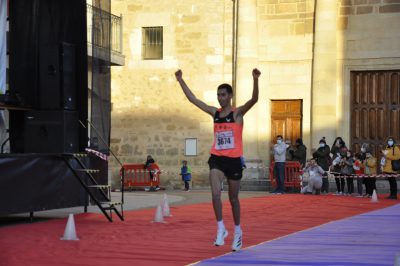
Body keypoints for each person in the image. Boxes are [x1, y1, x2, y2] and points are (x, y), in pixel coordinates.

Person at [175, 68, 261, 251]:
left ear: (230, 96)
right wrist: (180, 80)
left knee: (233, 198)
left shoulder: (237, 114)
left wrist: (255, 79)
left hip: (234, 160)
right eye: (218, 95)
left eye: (223, 95)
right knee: (215, 193)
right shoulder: (215, 113)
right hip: (217, 158)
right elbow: (194, 100)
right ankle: (221, 227)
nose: (220, 98)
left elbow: (254, 100)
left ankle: (238, 231)